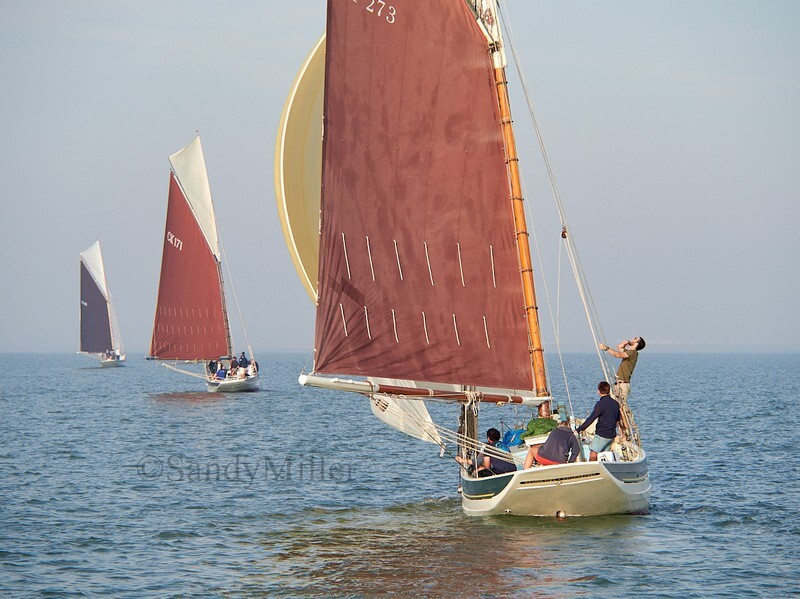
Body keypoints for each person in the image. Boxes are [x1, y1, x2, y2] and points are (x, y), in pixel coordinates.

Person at [575, 381, 626, 461]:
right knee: (604, 455)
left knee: (593, 453)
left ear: (598, 391)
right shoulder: (615, 403)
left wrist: (579, 430)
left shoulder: (600, 404)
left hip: (602, 434)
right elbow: (617, 419)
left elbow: (591, 419)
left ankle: (591, 470)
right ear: (609, 390)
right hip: (611, 434)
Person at [599, 336, 646, 405]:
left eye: (635, 338)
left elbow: (618, 355)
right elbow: (619, 347)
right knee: (612, 404)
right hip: (619, 384)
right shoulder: (629, 352)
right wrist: (626, 342)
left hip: (623, 385)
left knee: (621, 406)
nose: (633, 338)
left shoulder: (632, 353)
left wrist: (606, 348)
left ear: (636, 344)